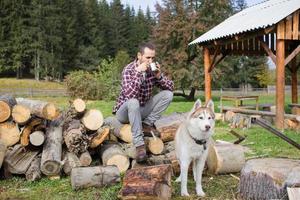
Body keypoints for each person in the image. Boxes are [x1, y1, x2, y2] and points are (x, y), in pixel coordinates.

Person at [113, 42, 174, 163]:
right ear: (139, 56)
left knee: (168, 94)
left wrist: (158, 76)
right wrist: (138, 73)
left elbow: (171, 87)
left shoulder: (152, 70)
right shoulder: (129, 70)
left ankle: (147, 124)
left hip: (142, 109)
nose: (150, 60)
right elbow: (130, 95)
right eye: (148, 57)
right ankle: (140, 146)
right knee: (133, 102)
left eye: (153, 58)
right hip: (124, 112)